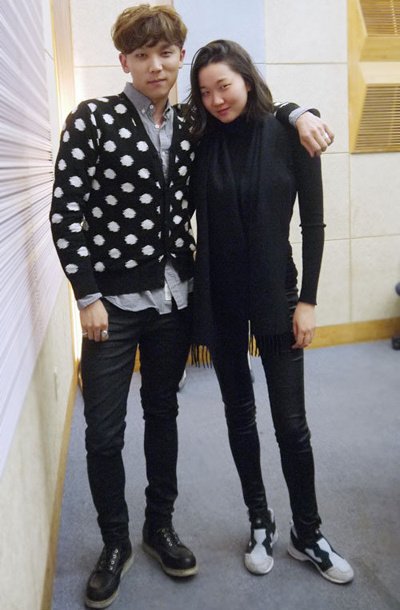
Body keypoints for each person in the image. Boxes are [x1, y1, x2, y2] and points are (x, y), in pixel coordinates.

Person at [50, 5, 335, 607]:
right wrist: (87, 295)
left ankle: (160, 527)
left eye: (166, 54)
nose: (156, 66)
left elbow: (255, 115)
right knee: (103, 433)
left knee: (164, 415)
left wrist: (297, 110)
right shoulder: (93, 119)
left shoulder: (191, 125)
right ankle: (114, 543)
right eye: (142, 55)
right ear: (124, 61)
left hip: (176, 301)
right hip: (112, 307)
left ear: (180, 56)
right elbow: (66, 212)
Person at [186, 39, 354, 585]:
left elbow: (313, 224)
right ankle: (260, 520)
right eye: (205, 91)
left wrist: (308, 301)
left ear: (247, 78)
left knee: (291, 425)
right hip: (220, 298)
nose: (216, 100)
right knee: (239, 415)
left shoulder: (289, 133)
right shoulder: (200, 140)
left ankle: (308, 533)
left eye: (224, 86)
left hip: (278, 295)